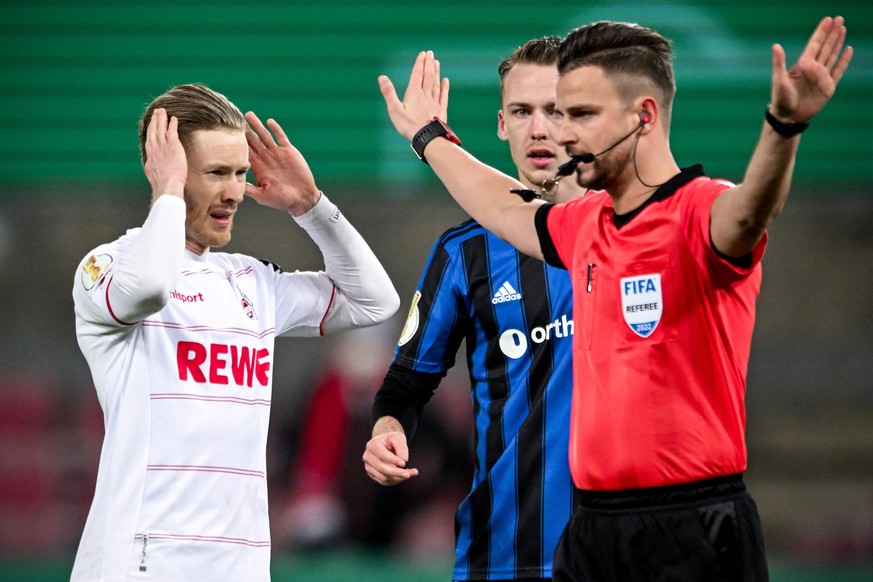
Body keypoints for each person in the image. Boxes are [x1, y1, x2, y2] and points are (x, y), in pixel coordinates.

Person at [376, 16, 852, 582]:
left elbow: (751, 212)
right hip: (591, 529)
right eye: (540, 113)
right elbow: (503, 207)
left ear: (642, 116)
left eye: (578, 115)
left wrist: (783, 126)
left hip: (688, 522)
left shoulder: (700, 211)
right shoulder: (585, 226)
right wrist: (428, 138)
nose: (560, 134)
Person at [70, 83, 400, 581]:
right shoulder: (108, 267)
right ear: (166, 169)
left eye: (241, 173)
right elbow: (151, 289)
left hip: (239, 567)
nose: (234, 192)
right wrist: (166, 196)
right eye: (215, 173)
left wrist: (310, 205)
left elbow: (375, 300)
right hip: (141, 565)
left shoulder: (250, 281)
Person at [363, 37, 587, 581]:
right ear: (500, 125)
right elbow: (408, 379)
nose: (538, 129)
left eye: (555, 111)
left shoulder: (633, 237)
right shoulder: (465, 254)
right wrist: (386, 429)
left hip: (626, 547)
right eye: (521, 111)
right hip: (505, 552)